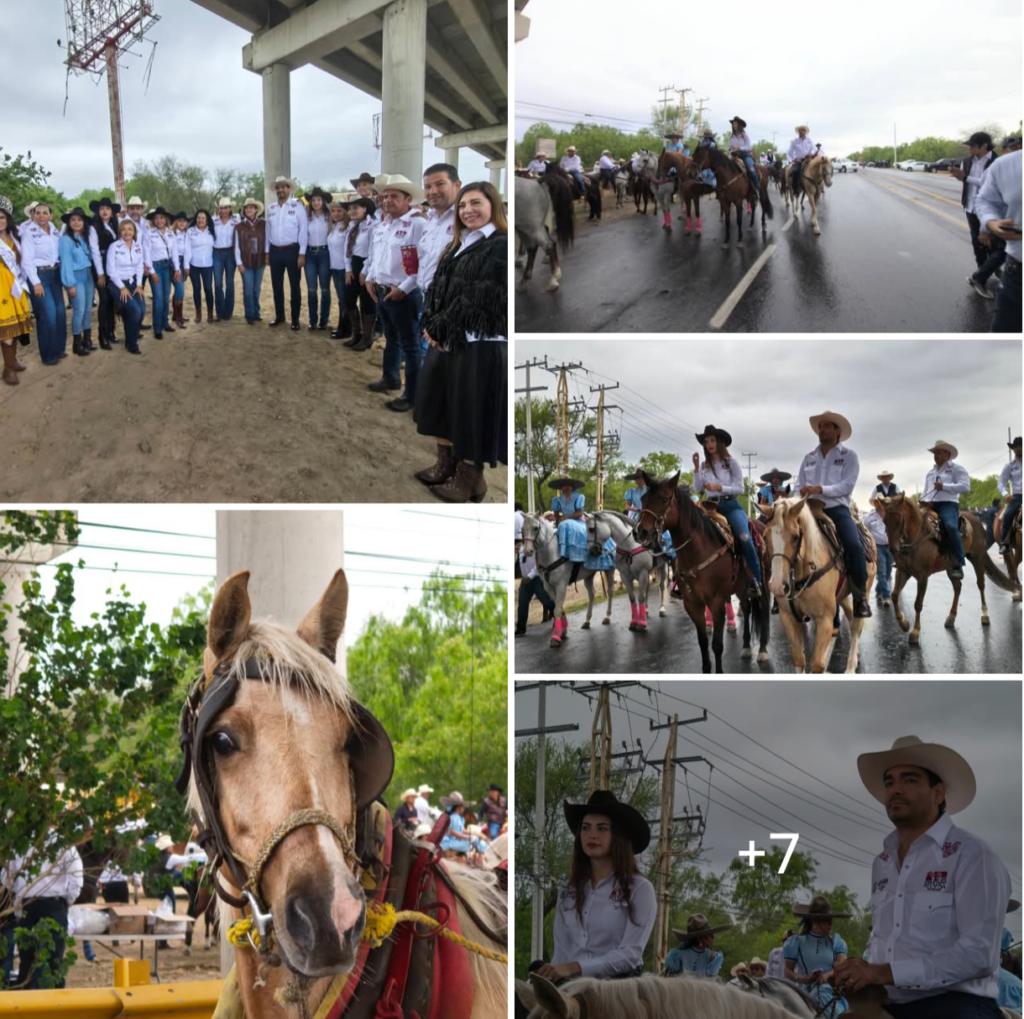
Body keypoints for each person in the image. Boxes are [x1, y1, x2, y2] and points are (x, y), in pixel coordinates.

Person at [835, 735, 1011, 1019]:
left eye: (910, 780)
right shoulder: (881, 863)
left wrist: (885, 972)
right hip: (888, 1002)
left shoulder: (972, 855)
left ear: (938, 793)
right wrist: (858, 969)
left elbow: (979, 954)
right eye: (889, 782)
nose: (895, 789)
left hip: (957, 1005)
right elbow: (882, 939)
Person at [416, 181, 506, 500]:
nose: (468, 210)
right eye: (463, 205)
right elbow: (436, 287)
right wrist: (430, 323)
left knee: (470, 411)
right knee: (442, 404)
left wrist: (439, 328)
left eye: (476, 203)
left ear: (492, 205)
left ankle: (470, 478)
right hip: (445, 338)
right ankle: (446, 464)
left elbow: (478, 296)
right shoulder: (458, 243)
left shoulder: (500, 245)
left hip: (477, 342)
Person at [534, 789, 655, 983]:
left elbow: (630, 954)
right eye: (586, 828)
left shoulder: (640, 889)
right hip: (570, 987)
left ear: (617, 835)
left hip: (617, 989)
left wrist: (576, 967)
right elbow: (562, 952)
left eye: (602, 828)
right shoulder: (568, 890)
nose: (592, 835)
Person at [796, 410, 872, 618]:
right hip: (808, 508)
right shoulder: (809, 458)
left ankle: (860, 597)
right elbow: (798, 484)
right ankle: (787, 594)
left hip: (836, 509)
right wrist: (796, 499)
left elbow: (847, 486)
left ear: (837, 431)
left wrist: (821, 489)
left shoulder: (848, 456)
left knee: (854, 545)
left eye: (827, 426)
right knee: (786, 539)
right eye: (820, 427)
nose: (822, 430)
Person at [362, 174, 426, 411]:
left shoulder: (418, 224)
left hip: (403, 294)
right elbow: (376, 256)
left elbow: (424, 262)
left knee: (411, 346)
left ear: (407, 199)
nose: (387, 200)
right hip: (381, 291)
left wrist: (404, 288)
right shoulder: (383, 225)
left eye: (394, 196)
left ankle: (412, 396)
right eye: (385, 196)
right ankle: (390, 378)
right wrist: (370, 278)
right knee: (392, 339)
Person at [691, 423, 763, 598]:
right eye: (706, 441)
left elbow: (739, 488)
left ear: (720, 442)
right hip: (709, 507)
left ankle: (757, 580)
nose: (709, 444)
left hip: (730, 506)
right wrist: (696, 468)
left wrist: (719, 487)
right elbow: (698, 488)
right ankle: (686, 581)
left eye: (712, 440)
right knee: (690, 535)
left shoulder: (731, 463)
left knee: (745, 538)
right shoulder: (705, 466)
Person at [0, 837, 83, 989]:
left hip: (27, 905)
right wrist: (68, 900)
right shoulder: (64, 843)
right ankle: (56, 1005)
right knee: (55, 961)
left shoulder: (21, 843)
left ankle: (27, 1004)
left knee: (27, 960)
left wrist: (20, 893)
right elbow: (77, 877)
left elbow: (6, 877)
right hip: (54, 905)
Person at [951, 132, 1004, 299]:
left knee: (996, 244)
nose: (971, 149)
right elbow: (965, 180)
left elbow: (987, 184)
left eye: (973, 145)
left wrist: (965, 178)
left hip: (991, 210)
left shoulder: (997, 162)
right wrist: (958, 176)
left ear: (984, 145)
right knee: (977, 242)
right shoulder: (967, 161)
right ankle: (982, 275)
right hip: (970, 207)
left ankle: (989, 271)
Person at [974, 148, 1021, 334]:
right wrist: (989, 223)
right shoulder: (1006, 164)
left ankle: (980, 276)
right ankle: (980, 275)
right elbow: (985, 200)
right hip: (1018, 273)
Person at [784, 896, 851, 1014]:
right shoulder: (796, 943)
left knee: (823, 992)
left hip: (830, 991)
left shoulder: (836, 942)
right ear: (814, 921)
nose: (830, 924)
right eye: (826, 920)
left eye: (831, 919)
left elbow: (843, 965)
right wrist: (801, 979)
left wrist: (828, 975)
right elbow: (787, 970)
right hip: (804, 992)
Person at [21, 201, 68, 366]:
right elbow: (27, 261)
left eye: (45, 212)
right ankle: (48, 355)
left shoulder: (55, 232)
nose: (41, 216)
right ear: (33, 215)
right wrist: (36, 282)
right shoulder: (29, 234)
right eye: (38, 212)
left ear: (51, 215)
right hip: (39, 276)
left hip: (55, 274)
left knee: (60, 313)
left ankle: (59, 349)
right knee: (48, 315)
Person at [921, 440, 970, 580]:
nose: (935, 455)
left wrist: (945, 487)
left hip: (948, 504)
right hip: (930, 504)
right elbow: (926, 490)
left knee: (950, 526)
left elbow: (965, 486)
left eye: (938, 452)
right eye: (934, 453)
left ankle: (958, 563)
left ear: (947, 453)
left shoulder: (957, 469)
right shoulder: (930, 473)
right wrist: (922, 502)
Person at [265, 175, 308, 331]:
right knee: (277, 286)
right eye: (278, 187)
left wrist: (302, 253)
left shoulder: (298, 207)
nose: (280, 190)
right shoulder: (271, 209)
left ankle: (295, 319)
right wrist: (267, 252)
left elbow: (303, 230)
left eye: (283, 187)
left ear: (289, 189)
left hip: (292, 251)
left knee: (294, 287)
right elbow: (267, 231)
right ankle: (279, 315)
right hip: (275, 251)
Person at [0, 197, 32, 385]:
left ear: (8, 219)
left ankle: (12, 361)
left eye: (2, 217)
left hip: (15, 287)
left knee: (16, 327)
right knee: (6, 331)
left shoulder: (15, 238)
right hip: (1, 289)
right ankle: (8, 369)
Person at [58, 206, 96, 356]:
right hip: (75, 277)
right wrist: (70, 284)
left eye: (79, 220)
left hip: (88, 276)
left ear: (83, 222)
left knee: (87, 309)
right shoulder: (65, 240)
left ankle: (87, 339)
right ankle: (77, 343)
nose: (76, 222)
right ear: (68, 222)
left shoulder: (85, 238)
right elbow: (65, 262)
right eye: (73, 220)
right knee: (79, 310)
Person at [105, 217, 147, 355]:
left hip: (134, 282)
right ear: (120, 232)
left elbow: (140, 267)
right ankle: (131, 343)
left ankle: (127, 321)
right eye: (123, 229)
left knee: (141, 311)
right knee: (135, 311)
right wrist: (121, 287)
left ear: (134, 231)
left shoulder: (138, 246)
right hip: (117, 284)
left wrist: (139, 285)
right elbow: (111, 270)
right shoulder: (114, 247)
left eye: (130, 229)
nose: (127, 232)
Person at [341, 194, 377, 350]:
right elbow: (346, 249)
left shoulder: (373, 226)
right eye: (349, 209)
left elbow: (373, 250)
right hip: (354, 264)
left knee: (366, 302)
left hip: (367, 265)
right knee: (348, 300)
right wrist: (348, 268)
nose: (351, 211)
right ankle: (356, 333)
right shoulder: (352, 226)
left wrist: (365, 270)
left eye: (355, 208)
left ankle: (367, 337)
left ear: (365, 209)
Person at [88, 197, 122, 349]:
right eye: (102, 208)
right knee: (104, 299)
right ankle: (102, 335)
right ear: (98, 211)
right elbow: (94, 251)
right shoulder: (93, 227)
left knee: (112, 300)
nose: (105, 211)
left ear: (112, 212)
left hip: (113, 264)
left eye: (108, 208)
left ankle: (110, 331)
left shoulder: (116, 226)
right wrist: (100, 273)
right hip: (100, 264)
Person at [144, 206, 178, 339]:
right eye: (156, 218)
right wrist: (152, 272)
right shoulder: (149, 233)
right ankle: (157, 327)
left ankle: (165, 322)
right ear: (153, 220)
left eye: (161, 218)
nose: (159, 220)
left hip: (167, 266)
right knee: (158, 298)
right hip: (156, 267)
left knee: (166, 296)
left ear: (166, 219)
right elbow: (147, 253)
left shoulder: (170, 233)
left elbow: (174, 252)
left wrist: (177, 268)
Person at [302, 187, 333, 331]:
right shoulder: (306, 217)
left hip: (325, 254)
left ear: (323, 201)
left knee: (325, 289)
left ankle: (324, 320)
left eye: (319, 199)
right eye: (313, 200)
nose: (316, 202)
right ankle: (312, 320)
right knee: (311, 289)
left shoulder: (330, 216)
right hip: (310, 254)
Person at [663, 914, 733, 977]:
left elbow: (711, 983)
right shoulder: (677, 956)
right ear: (700, 938)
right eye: (710, 934)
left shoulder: (713, 958)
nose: (713, 937)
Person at [119, 196, 152, 331]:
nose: (135, 211)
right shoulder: (123, 222)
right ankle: (131, 327)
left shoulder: (145, 223)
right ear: (128, 209)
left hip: (140, 264)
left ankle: (137, 323)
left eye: (138, 208)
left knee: (139, 293)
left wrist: (146, 264)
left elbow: (146, 245)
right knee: (129, 299)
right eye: (132, 208)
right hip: (127, 265)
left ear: (141, 210)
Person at [234, 197, 266, 326]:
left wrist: (267, 255)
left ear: (256, 209)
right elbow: (236, 246)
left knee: (256, 288)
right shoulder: (239, 226)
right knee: (248, 288)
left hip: (260, 260)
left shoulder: (263, 224)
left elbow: (267, 240)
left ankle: (256, 312)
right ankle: (249, 314)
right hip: (245, 261)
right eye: (247, 208)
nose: (249, 210)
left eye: (251, 207)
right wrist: (239, 262)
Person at [516, 542, 555, 637]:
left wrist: (530, 576)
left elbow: (538, 564)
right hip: (525, 580)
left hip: (536, 579)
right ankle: (521, 629)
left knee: (546, 601)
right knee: (522, 604)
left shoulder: (536, 546)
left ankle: (559, 616)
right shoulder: (520, 548)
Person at [325, 198, 351, 338]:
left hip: (343, 268)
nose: (336, 213)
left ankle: (346, 328)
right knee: (341, 299)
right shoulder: (334, 227)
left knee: (344, 300)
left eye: (339, 211)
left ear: (344, 212)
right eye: (333, 211)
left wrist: (348, 269)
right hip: (334, 267)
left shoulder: (347, 227)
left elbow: (348, 251)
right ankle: (344, 326)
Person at [185, 209, 215, 323]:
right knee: (196, 289)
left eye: (203, 218)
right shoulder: (190, 231)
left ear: (207, 220)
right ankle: (198, 314)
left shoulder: (211, 231)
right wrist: (186, 265)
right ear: (195, 219)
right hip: (194, 265)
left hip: (208, 264)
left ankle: (210, 313)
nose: (200, 220)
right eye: (198, 218)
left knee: (208, 288)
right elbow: (187, 249)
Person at [211, 198, 238, 322]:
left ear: (230, 208)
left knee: (230, 283)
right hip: (216, 253)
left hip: (230, 253)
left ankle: (228, 312)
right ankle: (220, 312)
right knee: (217, 283)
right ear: (219, 209)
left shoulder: (236, 221)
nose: (224, 210)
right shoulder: (213, 221)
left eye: (226, 207)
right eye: (222, 208)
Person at [863, 497, 893, 606]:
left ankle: (878, 589)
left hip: (890, 546)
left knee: (888, 571)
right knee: (881, 572)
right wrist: (870, 548)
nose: (878, 504)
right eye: (876, 502)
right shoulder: (869, 517)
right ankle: (886, 596)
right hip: (877, 547)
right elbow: (865, 533)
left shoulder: (889, 514)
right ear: (874, 504)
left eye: (880, 502)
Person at [439, 792, 485, 858]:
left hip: (456, 839)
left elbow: (463, 830)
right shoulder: (453, 817)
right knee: (471, 842)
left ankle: (478, 855)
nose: (463, 809)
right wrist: (465, 837)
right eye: (463, 807)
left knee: (475, 839)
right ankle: (478, 857)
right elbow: (451, 832)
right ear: (459, 807)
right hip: (450, 841)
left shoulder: (459, 818)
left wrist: (476, 834)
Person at [997, 436, 1022, 554]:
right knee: (1007, 515)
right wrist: (1005, 494)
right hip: (1017, 496)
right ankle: (1005, 543)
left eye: (1021, 446)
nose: (1019, 449)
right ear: (1013, 449)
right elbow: (1001, 482)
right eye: (1016, 447)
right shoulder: (1010, 465)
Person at [729, 116, 761, 196]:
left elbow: (749, 147)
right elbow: (731, 147)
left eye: (735, 124)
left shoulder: (744, 135)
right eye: (733, 124)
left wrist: (739, 147)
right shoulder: (731, 136)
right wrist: (731, 149)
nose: (734, 125)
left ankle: (757, 189)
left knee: (752, 170)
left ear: (739, 125)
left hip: (744, 155)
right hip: (734, 155)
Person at [169, 211, 190, 330]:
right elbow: (173, 252)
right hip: (174, 262)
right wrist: (177, 267)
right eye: (180, 220)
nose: (182, 223)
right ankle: (179, 316)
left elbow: (188, 250)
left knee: (178, 289)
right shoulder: (172, 234)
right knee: (180, 289)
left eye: (184, 221)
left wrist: (186, 265)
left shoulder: (187, 234)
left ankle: (175, 315)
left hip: (183, 262)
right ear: (176, 222)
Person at [787, 125, 818, 193]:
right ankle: (795, 188)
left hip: (808, 160)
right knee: (795, 171)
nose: (802, 131)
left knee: (816, 169)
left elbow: (815, 149)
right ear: (798, 132)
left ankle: (817, 186)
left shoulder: (810, 140)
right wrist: (795, 158)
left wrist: (811, 153)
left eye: (803, 130)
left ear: (805, 132)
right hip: (799, 160)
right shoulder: (794, 141)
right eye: (800, 130)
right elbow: (789, 153)